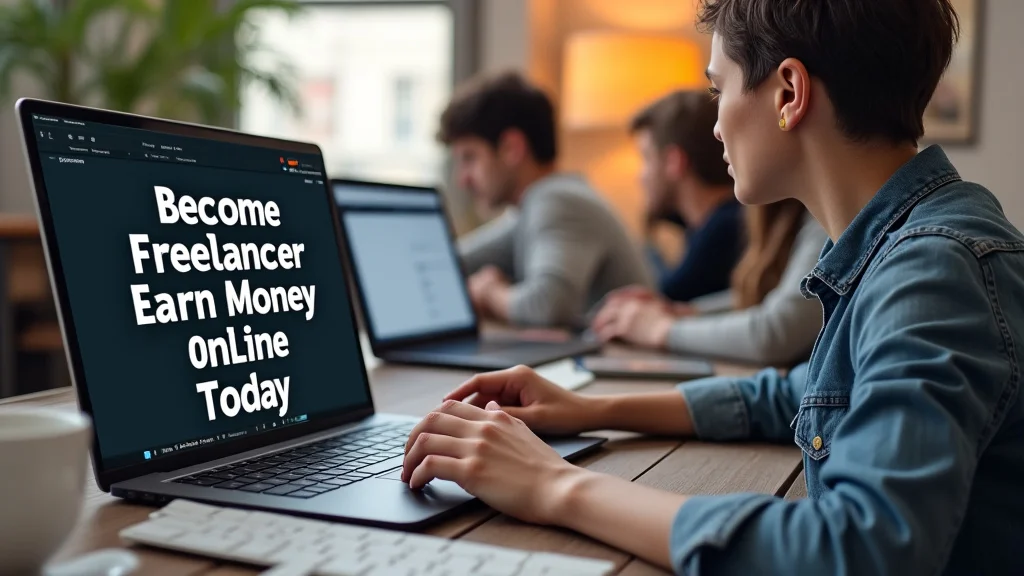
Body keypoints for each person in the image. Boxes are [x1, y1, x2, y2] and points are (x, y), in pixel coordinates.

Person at [400, 0, 1024, 574]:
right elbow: (793, 395)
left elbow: (860, 549)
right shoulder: (897, 244)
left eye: (717, 89)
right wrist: (589, 410)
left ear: (789, 92)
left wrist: (552, 486)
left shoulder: (931, 269)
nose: (716, 125)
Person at [441, 71, 651, 328]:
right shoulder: (538, 204)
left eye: (470, 158)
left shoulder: (558, 201)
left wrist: (490, 292)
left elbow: (547, 306)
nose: (462, 180)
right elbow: (451, 261)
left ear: (512, 149)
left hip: (624, 362)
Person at [593, 198, 827, 365]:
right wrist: (687, 312)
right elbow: (772, 297)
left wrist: (659, 328)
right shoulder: (795, 216)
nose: (717, 132)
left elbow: (777, 332)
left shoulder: (827, 219)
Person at [632, 90, 744, 302]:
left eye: (646, 158)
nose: (641, 176)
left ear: (674, 161)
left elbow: (667, 297)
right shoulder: (714, 221)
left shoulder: (724, 229)